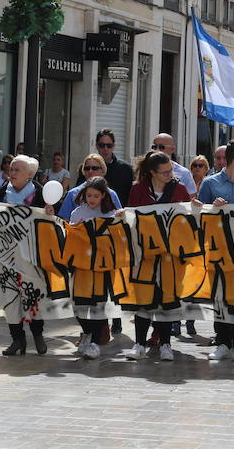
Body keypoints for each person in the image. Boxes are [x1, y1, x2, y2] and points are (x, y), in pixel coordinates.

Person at [0, 155, 47, 355]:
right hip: (4, 255)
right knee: (9, 296)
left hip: (31, 255)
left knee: (33, 295)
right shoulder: (0, 194)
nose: (11, 173)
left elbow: (51, 222)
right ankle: (17, 339)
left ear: (29, 174)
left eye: (16, 170)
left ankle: (37, 335)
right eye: (10, 169)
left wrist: (49, 212)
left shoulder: (40, 194)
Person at [125, 151, 191, 362]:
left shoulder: (179, 189)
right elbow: (131, 215)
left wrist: (195, 209)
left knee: (167, 300)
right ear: (152, 172)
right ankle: (139, 344)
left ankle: (166, 344)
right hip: (144, 253)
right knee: (144, 300)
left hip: (170, 256)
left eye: (171, 170)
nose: (169, 175)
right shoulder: (138, 189)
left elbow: (187, 219)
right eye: (164, 172)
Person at [198, 139, 234, 363]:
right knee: (219, 296)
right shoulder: (210, 184)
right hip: (216, 249)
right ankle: (222, 342)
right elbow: (197, 213)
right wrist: (212, 208)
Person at [64, 177, 118, 360]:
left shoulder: (111, 214)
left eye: (96, 195)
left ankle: (95, 342)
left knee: (98, 305)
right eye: (89, 195)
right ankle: (86, 332)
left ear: (104, 195)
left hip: (102, 267)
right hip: (81, 266)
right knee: (78, 305)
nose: (92, 199)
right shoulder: (77, 212)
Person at [78, 129, 134, 207]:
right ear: (96, 146)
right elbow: (79, 191)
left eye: (109, 145)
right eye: (102, 145)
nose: (105, 149)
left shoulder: (126, 169)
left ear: (113, 146)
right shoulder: (87, 167)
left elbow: (131, 196)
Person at [58, 155, 123, 220]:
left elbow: (119, 218)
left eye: (94, 168)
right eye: (87, 168)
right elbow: (64, 220)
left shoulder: (111, 194)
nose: (90, 171)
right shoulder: (72, 194)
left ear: (103, 170)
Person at [150, 133, 197, 197]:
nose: (157, 150)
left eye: (161, 147)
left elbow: (191, 199)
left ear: (172, 149)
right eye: (154, 147)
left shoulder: (184, 173)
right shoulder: (144, 169)